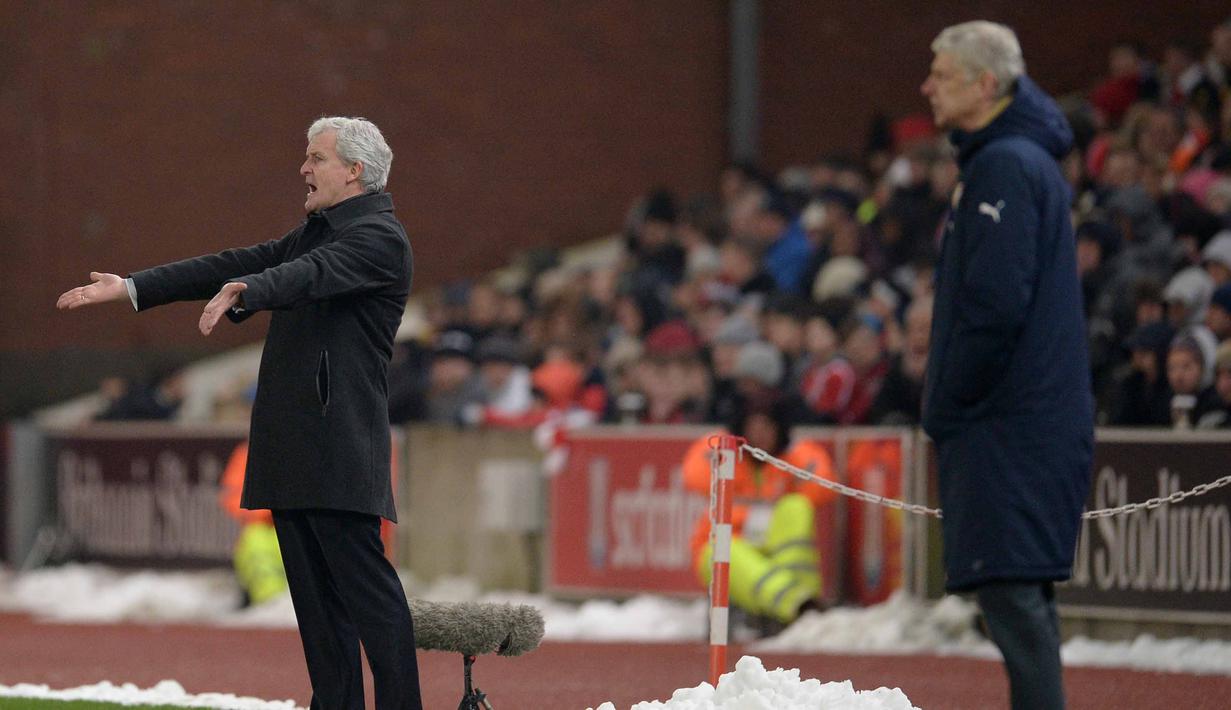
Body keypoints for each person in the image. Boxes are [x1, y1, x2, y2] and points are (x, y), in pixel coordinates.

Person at [56, 116, 422, 709]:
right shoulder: (316, 232)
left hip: (340, 445)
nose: (303, 170)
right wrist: (132, 288)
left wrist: (251, 290)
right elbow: (232, 262)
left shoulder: (380, 236)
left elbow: (308, 276)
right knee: (317, 611)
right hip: (297, 446)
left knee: (368, 597)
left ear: (354, 170)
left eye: (316, 158)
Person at [920, 22, 1093, 710]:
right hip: (1021, 417)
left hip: (1010, 422)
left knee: (1013, 596)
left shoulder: (1004, 166)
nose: (926, 86)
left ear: (985, 85)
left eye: (941, 73)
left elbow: (994, 304)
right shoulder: (1012, 162)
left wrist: (950, 400)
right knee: (1015, 598)